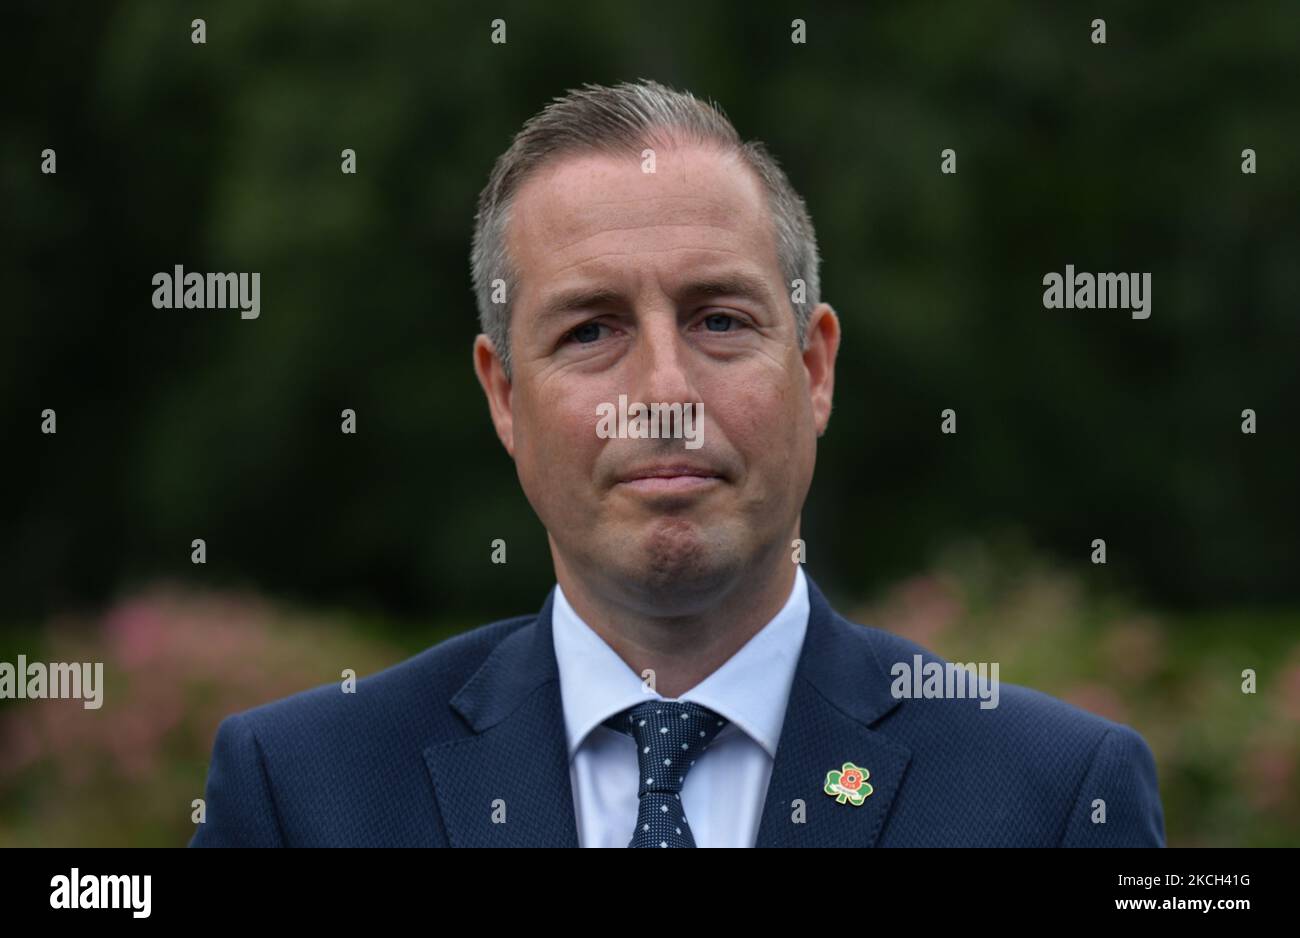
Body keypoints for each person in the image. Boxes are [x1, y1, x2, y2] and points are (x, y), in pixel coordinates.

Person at [192, 79, 1164, 847]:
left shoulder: (1050, 797)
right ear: (503, 395)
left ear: (814, 368)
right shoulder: (304, 791)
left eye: (719, 319)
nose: (662, 386)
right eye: (590, 330)